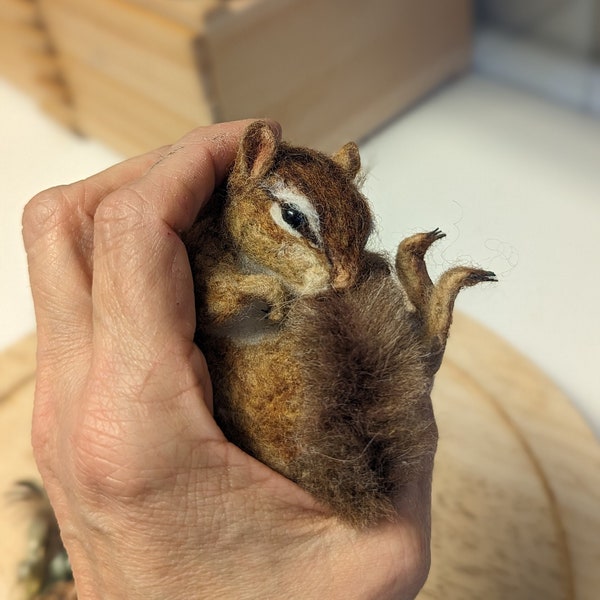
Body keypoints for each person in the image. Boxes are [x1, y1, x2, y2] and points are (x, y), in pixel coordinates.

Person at [22, 120, 433, 599]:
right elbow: (211, 304)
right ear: (253, 167)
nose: (340, 277)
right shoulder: (205, 255)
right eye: (293, 221)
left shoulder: (331, 283)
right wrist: (249, 291)